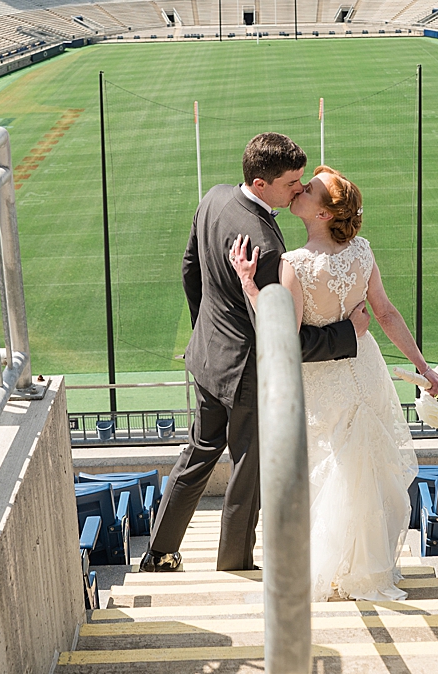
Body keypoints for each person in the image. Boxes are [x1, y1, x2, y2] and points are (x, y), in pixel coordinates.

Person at [140, 134, 369, 574]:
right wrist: (348, 334)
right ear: (261, 184)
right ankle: (233, 566)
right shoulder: (266, 245)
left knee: (199, 452)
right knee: (248, 472)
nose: (299, 190)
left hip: (209, 358)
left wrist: (209, 332)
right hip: (248, 375)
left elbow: (191, 270)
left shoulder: (214, 198)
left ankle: (159, 553)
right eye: (292, 183)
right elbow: (287, 339)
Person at [230, 165, 438, 601]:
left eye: (307, 189)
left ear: (325, 213)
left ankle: (333, 569)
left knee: (329, 471)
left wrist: (250, 286)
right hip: (364, 371)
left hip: (322, 382)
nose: (299, 189)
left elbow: (284, 336)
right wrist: (424, 368)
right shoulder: (362, 251)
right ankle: (365, 567)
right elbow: (385, 314)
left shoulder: (294, 266)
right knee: (362, 468)